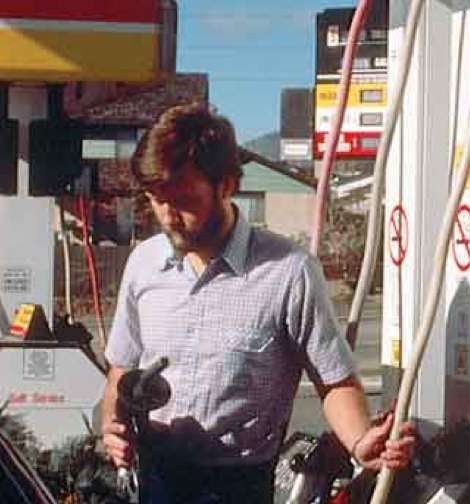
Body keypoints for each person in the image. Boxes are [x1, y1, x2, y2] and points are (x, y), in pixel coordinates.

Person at [102, 103, 415, 504]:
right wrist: (112, 426)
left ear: (227, 186)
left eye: (182, 200)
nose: (167, 216)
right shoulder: (143, 263)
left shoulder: (289, 272)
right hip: (157, 481)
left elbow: (334, 380)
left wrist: (358, 442)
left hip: (238, 486)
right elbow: (121, 372)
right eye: (156, 200)